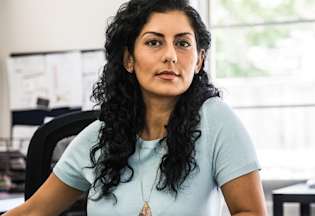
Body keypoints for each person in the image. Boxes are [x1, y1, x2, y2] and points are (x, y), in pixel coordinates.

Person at [3, 0, 267, 215]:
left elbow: (251, 212)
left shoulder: (216, 121)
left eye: (183, 43)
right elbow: (33, 212)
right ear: (129, 59)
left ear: (199, 61)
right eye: (154, 42)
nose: (170, 55)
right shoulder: (98, 138)